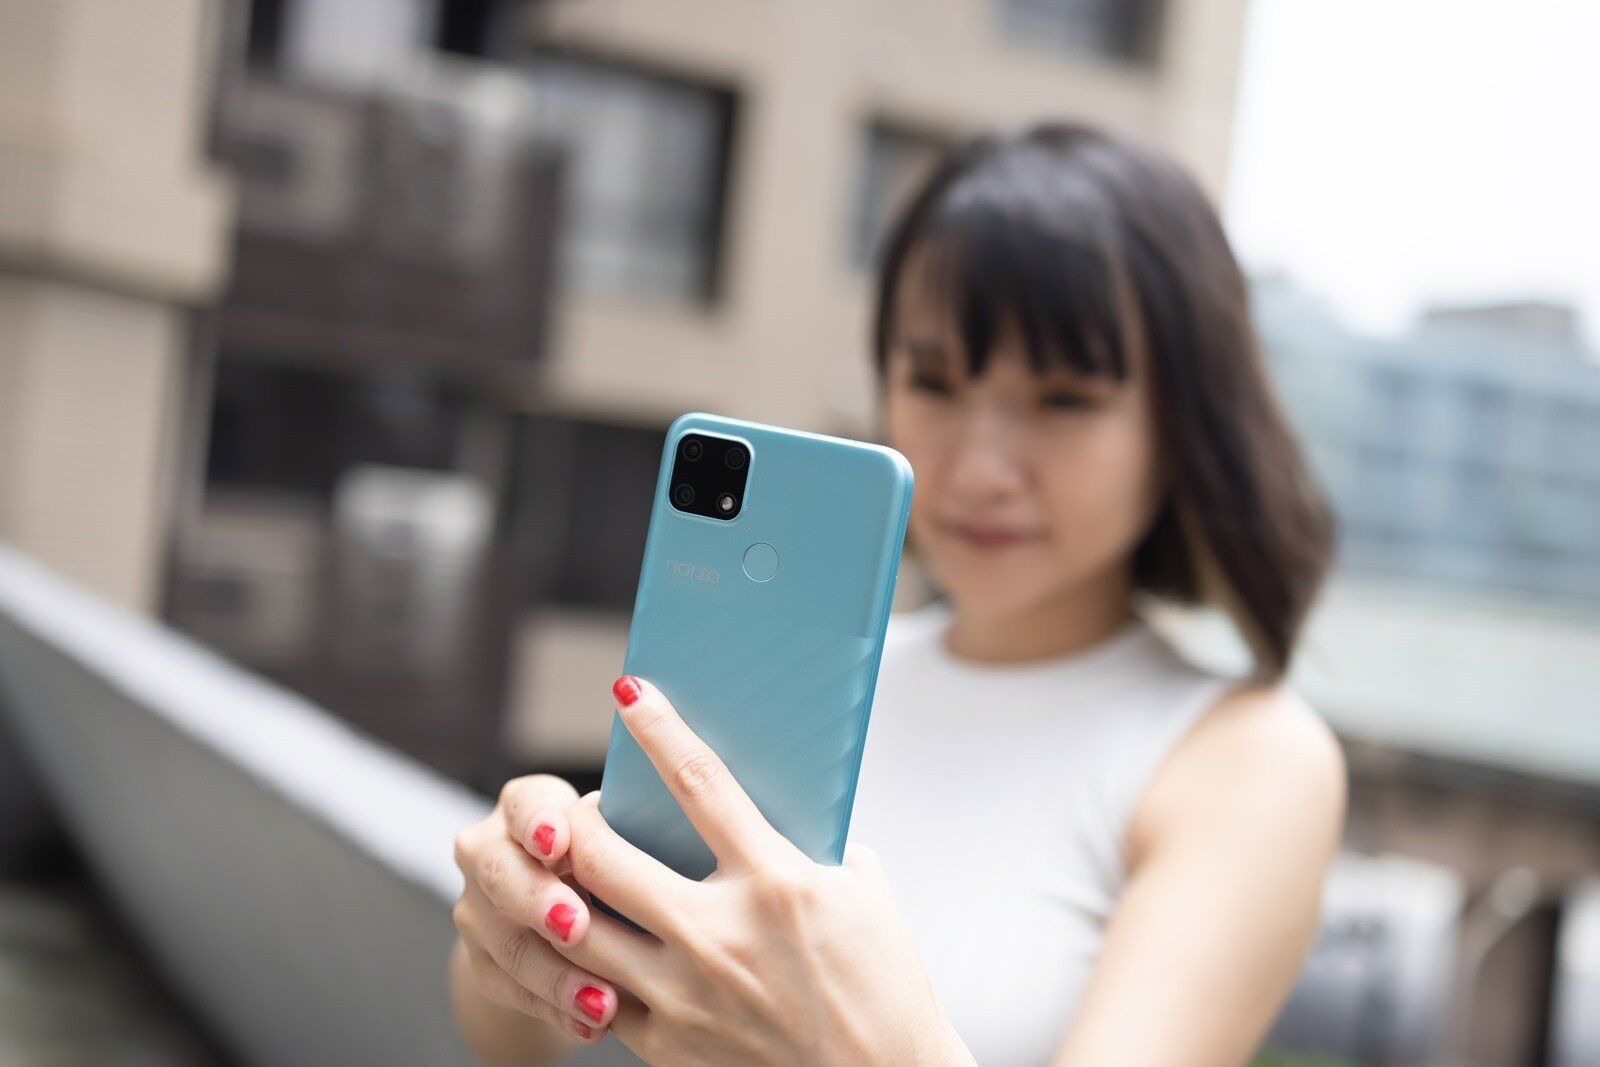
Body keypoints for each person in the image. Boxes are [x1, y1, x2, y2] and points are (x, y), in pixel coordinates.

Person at [447, 120, 1347, 1066]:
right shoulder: (801, 670)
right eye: (934, 380)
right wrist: (523, 927)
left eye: (1065, 398)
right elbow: (516, 1048)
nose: (979, 468)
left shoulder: (1246, 758)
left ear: (1183, 422)